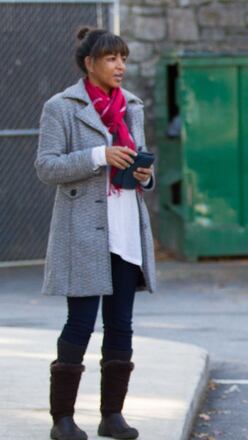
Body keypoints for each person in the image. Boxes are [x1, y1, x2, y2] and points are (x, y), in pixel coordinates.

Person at [35, 27, 156, 440]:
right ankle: (63, 420)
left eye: (123, 58)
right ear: (90, 63)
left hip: (125, 229)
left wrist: (144, 174)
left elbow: (140, 168)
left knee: (121, 325)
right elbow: (46, 166)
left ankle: (112, 416)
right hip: (83, 231)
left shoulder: (132, 107)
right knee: (80, 323)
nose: (120, 66)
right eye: (111, 58)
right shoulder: (62, 107)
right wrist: (96, 155)